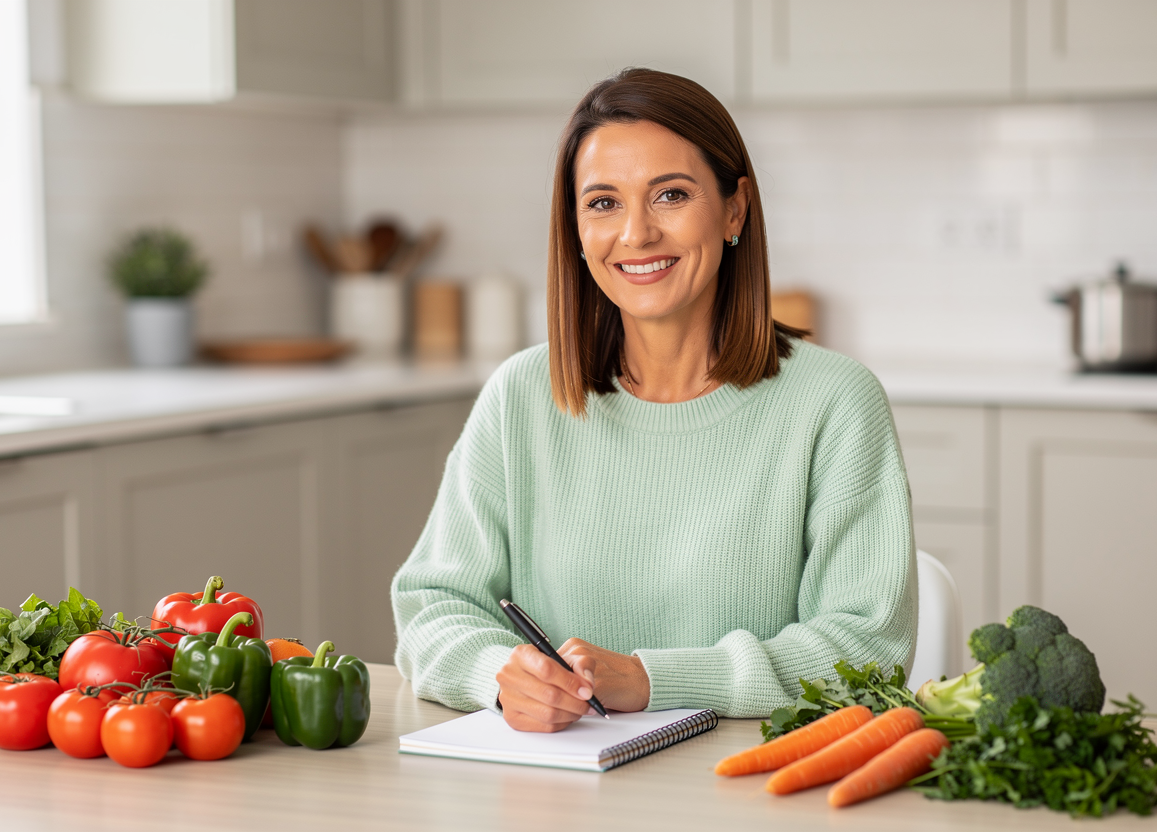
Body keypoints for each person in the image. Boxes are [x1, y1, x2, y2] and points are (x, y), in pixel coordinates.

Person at [392, 68, 917, 733]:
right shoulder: (521, 398)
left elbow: (864, 651)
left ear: (734, 209)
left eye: (670, 194)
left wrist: (652, 679)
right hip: (557, 792)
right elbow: (432, 606)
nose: (636, 234)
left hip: (750, 789)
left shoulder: (835, 403)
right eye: (603, 203)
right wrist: (498, 675)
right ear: (576, 231)